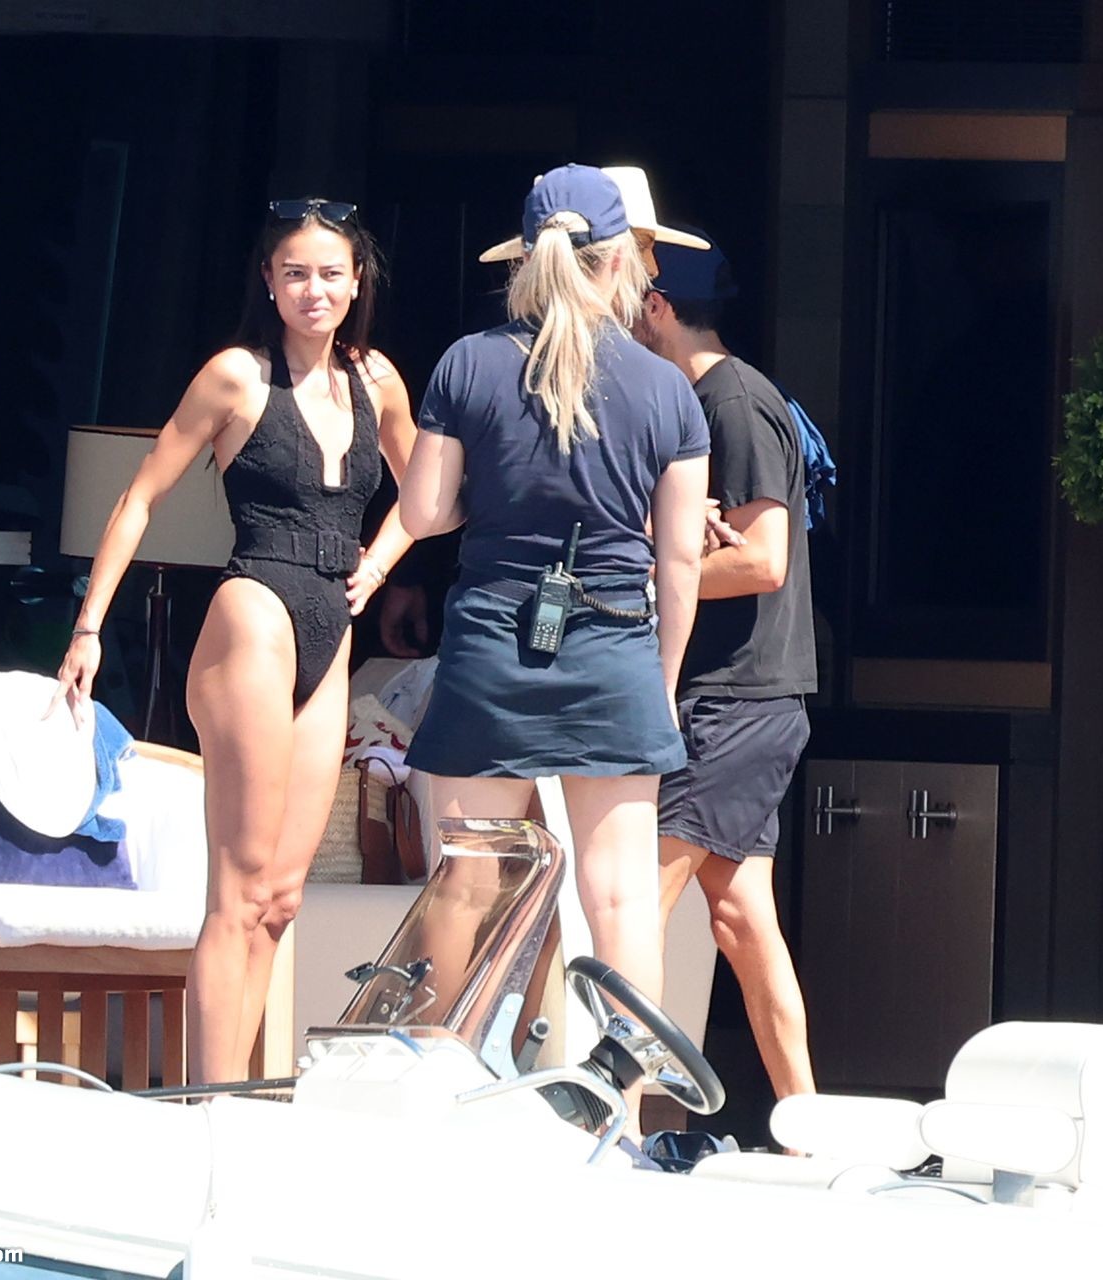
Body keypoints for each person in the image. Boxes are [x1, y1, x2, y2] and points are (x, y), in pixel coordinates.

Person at [56, 197, 418, 1083]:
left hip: (332, 625)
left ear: (357, 282)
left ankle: (236, 1095)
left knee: (283, 898)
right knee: (241, 885)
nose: (312, 290)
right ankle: (209, 1106)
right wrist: (89, 626)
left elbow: (432, 492)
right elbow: (140, 495)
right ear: (268, 280)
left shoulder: (377, 380)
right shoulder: (236, 376)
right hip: (254, 605)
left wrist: (379, 562)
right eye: (294, 273)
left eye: (329, 273)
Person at [398, 164, 710, 1019]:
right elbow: (681, 559)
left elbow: (422, 513)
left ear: (526, 259)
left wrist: (492, 492)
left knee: (465, 886)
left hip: (492, 646)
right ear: (620, 261)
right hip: (614, 651)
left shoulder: (468, 364)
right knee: (621, 899)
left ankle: (442, 1074)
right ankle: (627, 1089)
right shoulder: (667, 387)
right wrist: (663, 681)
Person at [631, 233, 818, 1101]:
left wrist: (645, 571)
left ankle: (610, 1113)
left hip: (733, 700)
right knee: (743, 921)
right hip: (748, 698)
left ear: (659, 308)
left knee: (634, 908)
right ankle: (807, 1123)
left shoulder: (732, 403)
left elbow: (764, 559)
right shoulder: (717, 398)